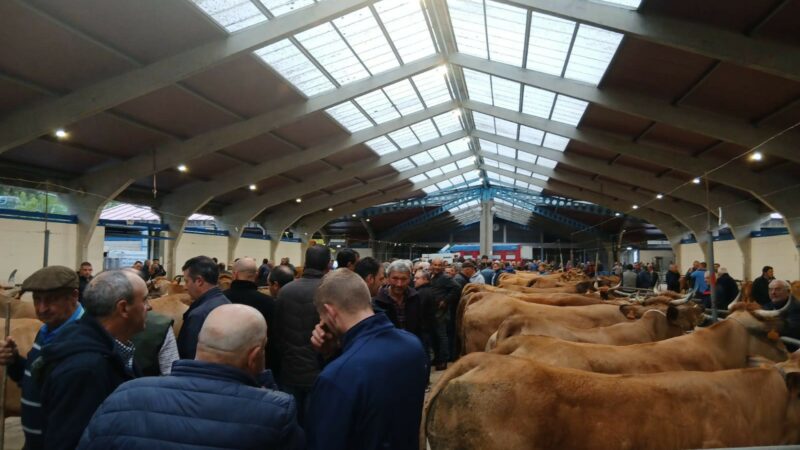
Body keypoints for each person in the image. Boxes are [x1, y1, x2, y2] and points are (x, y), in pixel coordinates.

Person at [77, 304, 305, 449]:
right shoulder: (276, 411)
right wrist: (263, 379)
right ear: (255, 355)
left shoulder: (126, 393)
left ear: (199, 343)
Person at [306, 269, 427, 450]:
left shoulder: (336, 377)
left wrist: (333, 362)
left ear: (329, 312)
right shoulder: (413, 345)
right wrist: (332, 354)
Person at [37, 270, 148, 450]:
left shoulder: (111, 351)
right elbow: (68, 442)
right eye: (144, 300)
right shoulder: (86, 370)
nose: (148, 307)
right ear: (123, 308)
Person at [0, 266, 85, 450]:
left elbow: (77, 418)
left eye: (51, 300)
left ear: (74, 296)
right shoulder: (46, 332)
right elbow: (36, 381)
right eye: (37, 300)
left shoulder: (85, 339)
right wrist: (15, 360)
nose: (41, 308)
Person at [273, 245, 330, 424]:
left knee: (290, 426)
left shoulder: (285, 291)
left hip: (290, 371)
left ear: (305, 263)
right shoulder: (331, 292)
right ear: (328, 265)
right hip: (321, 375)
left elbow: (276, 334)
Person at [223, 257, 275, 367]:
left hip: (225, 363)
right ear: (256, 275)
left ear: (235, 274)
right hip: (256, 364)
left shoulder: (221, 299)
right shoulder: (269, 303)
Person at [177, 256, 231, 359]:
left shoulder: (199, 315)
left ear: (199, 281)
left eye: (187, 281)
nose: (185, 287)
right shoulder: (226, 303)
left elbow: (190, 356)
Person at [373, 260, 424, 341]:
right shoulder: (377, 301)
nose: (399, 284)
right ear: (388, 278)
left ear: (409, 279)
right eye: (395, 278)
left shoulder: (415, 297)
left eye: (404, 279)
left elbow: (421, 327)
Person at [415, 269, 445, 370]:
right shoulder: (429, 290)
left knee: (425, 352)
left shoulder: (422, 293)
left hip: (424, 327)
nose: (414, 280)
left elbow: (420, 311)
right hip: (429, 326)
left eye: (417, 278)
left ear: (425, 279)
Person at [763, 279, 800, 347]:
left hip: (791, 348)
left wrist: (775, 331)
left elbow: (792, 328)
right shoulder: (767, 306)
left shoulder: (796, 307)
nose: (773, 292)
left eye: (778, 289)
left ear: (788, 292)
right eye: (771, 289)